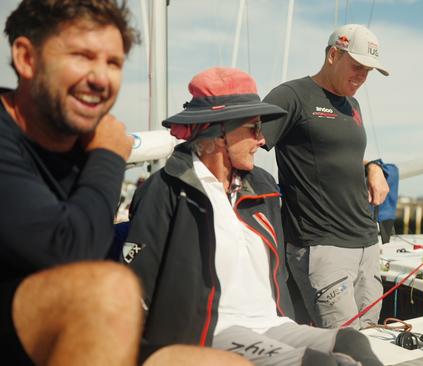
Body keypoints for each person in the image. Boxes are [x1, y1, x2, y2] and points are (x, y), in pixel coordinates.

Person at [0, 1, 249, 365]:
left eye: (113, 63)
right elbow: (68, 254)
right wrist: (109, 155)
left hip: (65, 334)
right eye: (82, 56)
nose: (100, 78)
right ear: (26, 58)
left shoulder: (79, 148)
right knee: (107, 289)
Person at [123, 67, 383, 366]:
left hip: (272, 324)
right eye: (253, 128)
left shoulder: (262, 187)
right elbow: (138, 284)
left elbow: (280, 274)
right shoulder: (167, 190)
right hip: (210, 331)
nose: (262, 140)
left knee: (353, 342)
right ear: (219, 133)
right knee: (317, 363)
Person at [261, 23, 390, 329]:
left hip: (367, 243)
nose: (362, 77)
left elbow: (343, 155)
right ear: (334, 54)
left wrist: (373, 167)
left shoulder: (353, 104)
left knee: (370, 339)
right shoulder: (291, 95)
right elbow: (247, 142)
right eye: (357, 66)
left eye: (368, 71)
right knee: (344, 347)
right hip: (321, 246)